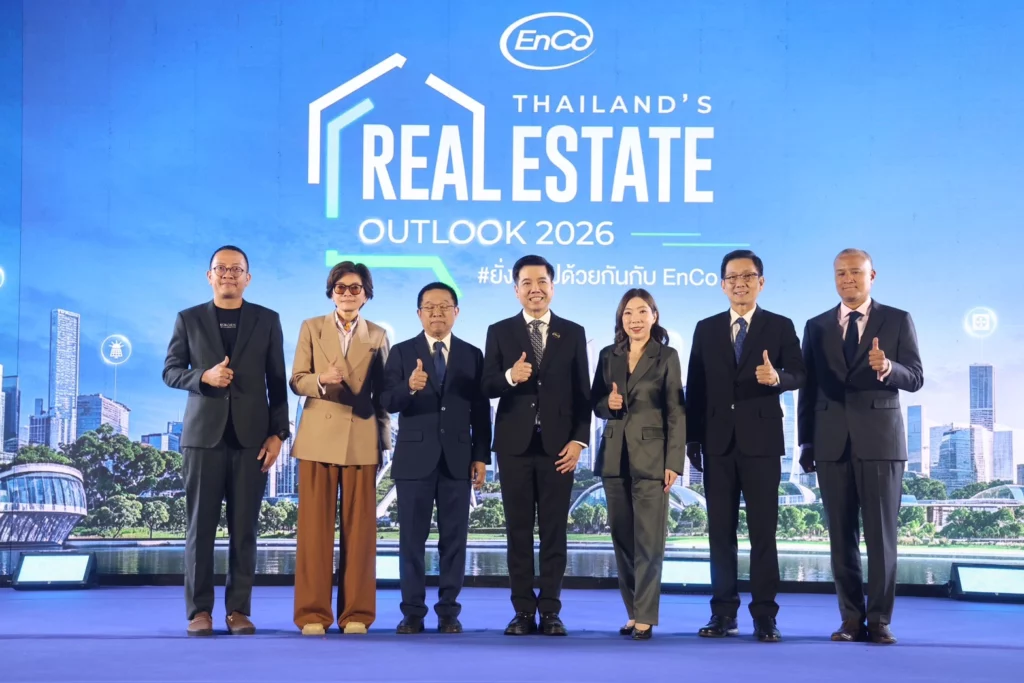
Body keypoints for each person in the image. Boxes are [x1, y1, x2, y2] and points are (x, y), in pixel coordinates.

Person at [798, 248, 923, 645]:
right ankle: (850, 619)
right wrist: (805, 441)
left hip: (881, 442)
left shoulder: (898, 319)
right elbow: (808, 389)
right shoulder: (816, 326)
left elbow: (916, 376)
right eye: (840, 273)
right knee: (841, 537)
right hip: (830, 443)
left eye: (855, 272)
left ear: (872, 276)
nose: (847, 279)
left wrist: (888, 368)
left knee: (882, 538)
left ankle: (880, 620)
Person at [162, 245, 289, 637]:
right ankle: (199, 612)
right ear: (209, 276)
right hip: (203, 438)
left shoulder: (268, 320)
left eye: (236, 269)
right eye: (221, 268)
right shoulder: (188, 319)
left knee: (245, 529)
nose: (228, 274)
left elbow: (277, 381)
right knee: (199, 529)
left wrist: (279, 434)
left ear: (248, 278)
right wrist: (203, 377)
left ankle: (238, 611)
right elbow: (170, 371)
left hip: (252, 440)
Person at [684, 249, 805, 642]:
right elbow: (695, 387)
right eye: (732, 278)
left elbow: (800, 373)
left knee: (763, 534)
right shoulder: (705, 328)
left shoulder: (780, 325)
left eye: (747, 276)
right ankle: (723, 613)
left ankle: (765, 616)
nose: (740, 284)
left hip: (762, 443)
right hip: (717, 443)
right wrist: (692, 438)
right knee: (720, 533)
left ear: (761, 282)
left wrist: (778, 378)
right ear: (722, 285)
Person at [482, 254, 592, 636]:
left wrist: (579, 441)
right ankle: (523, 612)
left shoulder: (572, 332)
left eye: (542, 282)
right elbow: (486, 386)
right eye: (527, 283)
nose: (535, 289)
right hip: (514, 447)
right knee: (517, 533)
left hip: (559, 450)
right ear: (516, 290)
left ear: (552, 287)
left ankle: (550, 611)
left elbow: (583, 393)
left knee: (554, 533)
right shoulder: (499, 331)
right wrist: (511, 376)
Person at [381, 282, 492, 634]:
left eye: (444, 306)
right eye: (429, 307)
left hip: (458, 459)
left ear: (456, 312)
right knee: (411, 542)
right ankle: (412, 612)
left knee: (454, 541)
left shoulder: (472, 354)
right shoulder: (401, 352)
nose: (437, 313)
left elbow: (481, 411)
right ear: (419, 314)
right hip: (414, 460)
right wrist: (409, 387)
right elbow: (386, 400)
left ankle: (448, 612)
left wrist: (481, 456)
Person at [289, 261, 392, 636]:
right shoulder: (311, 327)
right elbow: (296, 379)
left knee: (361, 533)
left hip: (361, 437)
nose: (347, 293)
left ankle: (357, 614)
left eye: (355, 288)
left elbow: (382, 395)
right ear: (331, 292)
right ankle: (312, 614)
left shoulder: (378, 335)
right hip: (317, 437)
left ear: (366, 294)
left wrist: (384, 443)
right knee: (313, 532)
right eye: (340, 287)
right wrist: (321, 379)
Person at [591, 289, 686, 640]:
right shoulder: (608, 355)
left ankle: (646, 616)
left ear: (654, 316)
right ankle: (632, 612)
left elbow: (676, 411)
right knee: (623, 541)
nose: (635, 319)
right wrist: (609, 403)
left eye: (642, 311)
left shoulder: (667, 356)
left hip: (653, 459)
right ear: (621, 318)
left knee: (649, 543)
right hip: (614, 458)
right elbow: (595, 402)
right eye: (628, 312)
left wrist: (674, 461)